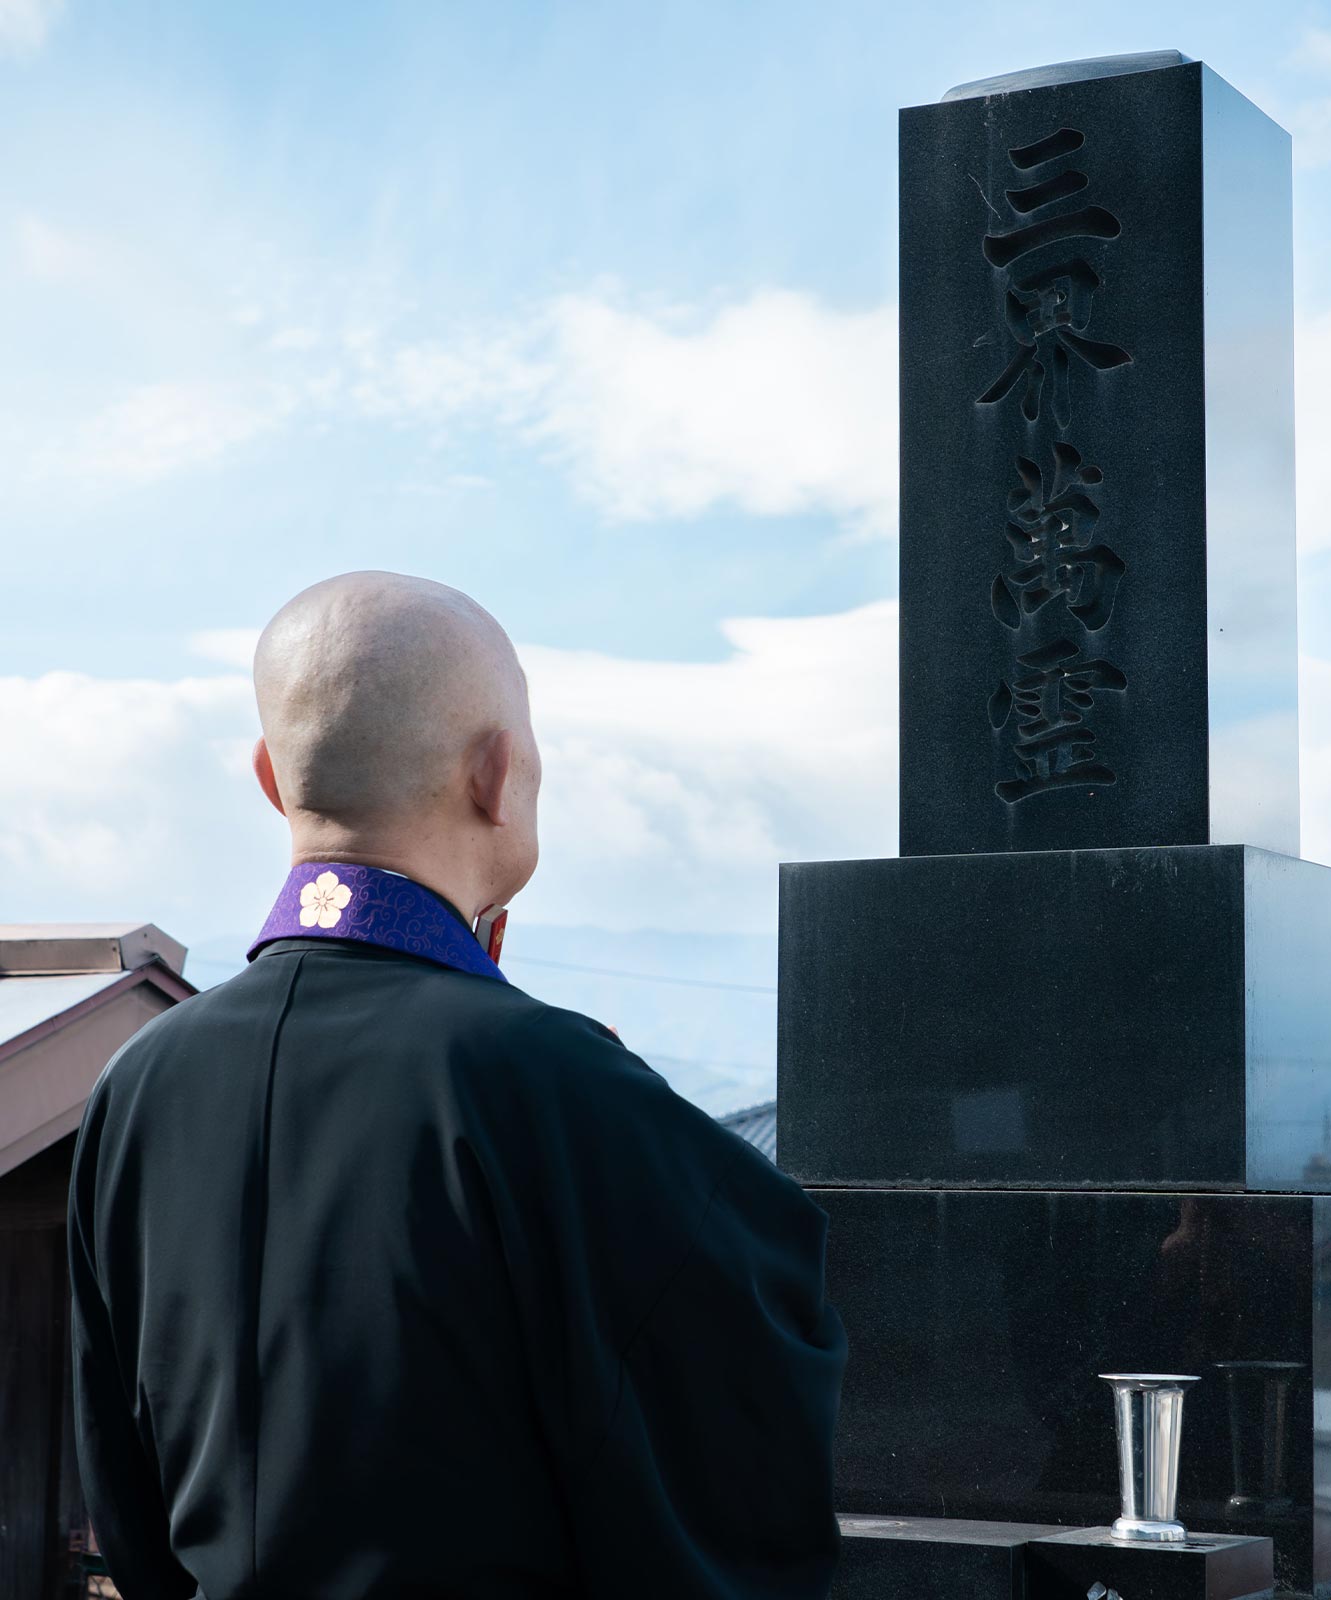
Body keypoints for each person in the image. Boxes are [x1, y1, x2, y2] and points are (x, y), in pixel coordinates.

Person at [66, 571, 848, 1600]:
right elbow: (733, 1475)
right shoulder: (559, 1083)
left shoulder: (137, 1084)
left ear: (269, 777)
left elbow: (125, 1505)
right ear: (496, 772)